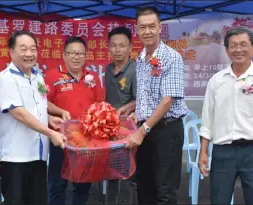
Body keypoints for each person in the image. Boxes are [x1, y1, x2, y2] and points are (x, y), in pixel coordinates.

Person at [198, 26, 253, 204]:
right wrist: (203, 152)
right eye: (233, 45)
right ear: (227, 50)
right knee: (218, 200)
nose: (238, 50)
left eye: (243, 44)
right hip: (223, 153)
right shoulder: (216, 81)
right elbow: (208, 119)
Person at [0, 30, 66, 205]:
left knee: (37, 200)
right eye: (23, 49)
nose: (29, 54)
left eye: (33, 49)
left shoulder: (38, 78)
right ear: (11, 52)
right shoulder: (5, 79)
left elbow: (35, 106)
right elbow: (19, 113)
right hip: (15, 156)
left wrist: (49, 117)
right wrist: (51, 132)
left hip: (38, 154)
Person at [126, 7, 188, 205]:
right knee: (144, 186)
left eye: (152, 26)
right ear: (136, 29)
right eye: (142, 27)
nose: (147, 31)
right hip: (146, 129)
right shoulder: (141, 59)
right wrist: (135, 110)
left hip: (166, 131)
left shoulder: (172, 57)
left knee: (165, 190)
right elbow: (147, 93)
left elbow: (167, 99)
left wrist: (142, 131)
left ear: (160, 27)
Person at [45, 36, 104, 205]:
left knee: (83, 186)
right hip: (60, 140)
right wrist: (59, 111)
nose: (77, 57)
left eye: (81, 53)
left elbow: (100, 104)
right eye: (72, 53)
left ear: (86, 56)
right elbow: (42, 102)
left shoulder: (92, 77)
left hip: (86, 141)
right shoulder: (52, 76)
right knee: (57, 185)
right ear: (64, 55)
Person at [104, 26, 137, 203]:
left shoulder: (136, 70)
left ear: (130, 48)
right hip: (110, 130)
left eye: (122, 46)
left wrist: (127, 107)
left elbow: (142, 100)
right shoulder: (108, 70)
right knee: (111, 173)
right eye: (113, 46)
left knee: (129, 174)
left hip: (130, 130)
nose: (117, 50)